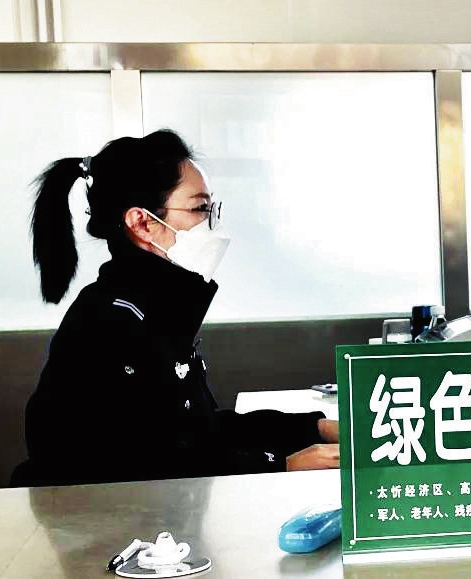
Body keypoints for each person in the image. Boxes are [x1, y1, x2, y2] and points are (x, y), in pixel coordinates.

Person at [12, 129, 339, 487]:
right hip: (105, 518)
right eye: (200, 209)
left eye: (212, 209)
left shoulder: (157, 308)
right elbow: (145, 462)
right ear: (142, 223)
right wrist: (280, 465)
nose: (213, 225)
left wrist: (316, 428)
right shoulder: (111, 321)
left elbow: (200, 430)